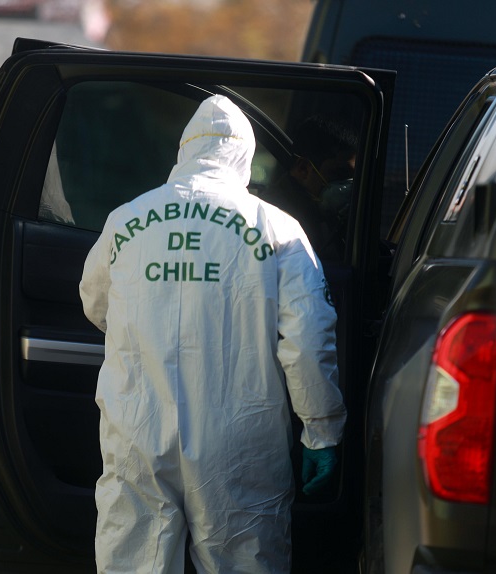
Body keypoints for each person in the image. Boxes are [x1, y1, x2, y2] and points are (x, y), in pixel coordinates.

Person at [79, 95, 346, 574]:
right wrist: (321, 430)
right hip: (239, 436)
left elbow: (96, 304)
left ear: (185, 150)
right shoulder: (277, 228)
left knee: (133, 563)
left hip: (139, 427)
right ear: (243, 155)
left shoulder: (126, 220)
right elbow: (308, 340)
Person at [258, 115, 358, 261]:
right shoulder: (273, 220)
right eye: (340, 173)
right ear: (303, 169)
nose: (348, 185)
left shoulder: (325, 215)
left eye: (354, 177)